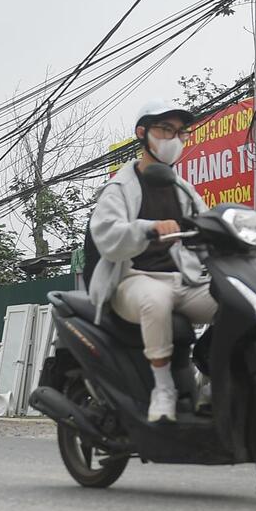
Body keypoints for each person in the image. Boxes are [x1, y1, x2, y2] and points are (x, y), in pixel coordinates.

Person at [87, 99, 219, 423]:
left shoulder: (182, 188)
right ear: (142, 133)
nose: (174, 139)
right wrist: (148, 228)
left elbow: (208, 224)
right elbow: (106, 235)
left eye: (180, 132)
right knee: (155, 301)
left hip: (183, 281)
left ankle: (213, 382)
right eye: (165, 130)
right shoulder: (119, 187)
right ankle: (163, 389)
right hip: (132, 279)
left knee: (237, 300)